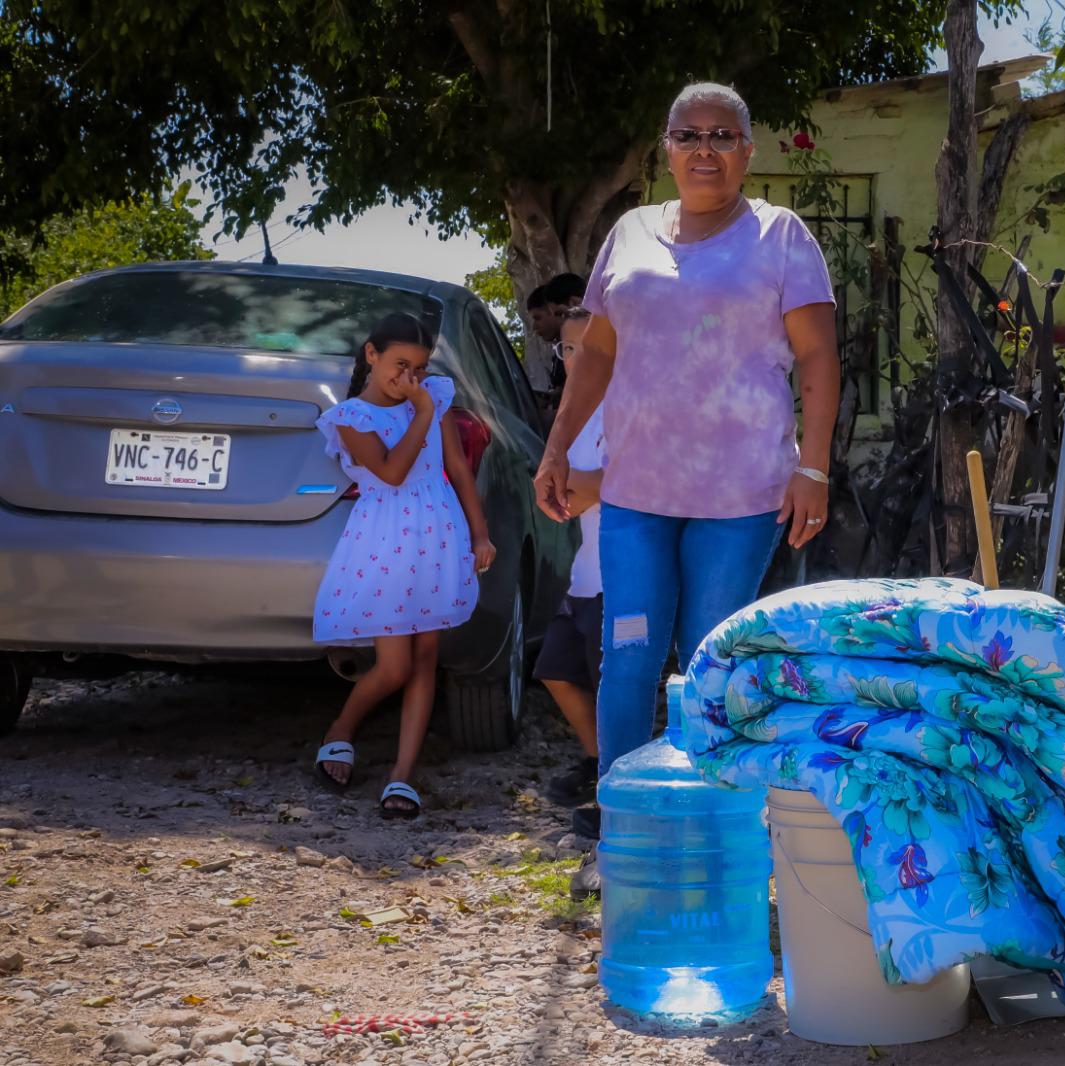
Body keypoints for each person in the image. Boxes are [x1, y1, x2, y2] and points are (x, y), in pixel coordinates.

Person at [533, 82, 840, 897]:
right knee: (627, 658)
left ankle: (719, 842)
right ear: (665, 148)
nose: (704, 148)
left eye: (723, 134)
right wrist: (559, 446)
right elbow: (596, 352)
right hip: (635, 491)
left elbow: (817, 358)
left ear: (747, 150)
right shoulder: (629, 233)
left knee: (710, 662)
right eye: (688, 134)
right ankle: (623, 843)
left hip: (740, 498)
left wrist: (813, 465)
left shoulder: (781, 237)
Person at [311, 312, 497, 819]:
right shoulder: (352, 417)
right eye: (398, 364)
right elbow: (393, 474)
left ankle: (402, 775)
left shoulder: (432, 397)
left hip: (439, 534)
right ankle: (341, 730)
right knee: (393, 666)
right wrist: (420, 412)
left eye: (417, 368)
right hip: (386, 538)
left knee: (424, 659)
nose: (408, 379)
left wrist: (479, 533)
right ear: (370, 355)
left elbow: (457, 469)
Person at [531, 306, 606, 839]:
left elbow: (592, 488)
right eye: (566, 348)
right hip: (585, 570)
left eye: (583, 346)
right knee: (554, 669)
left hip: (618, 572)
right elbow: (559, 491)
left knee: (612, 683)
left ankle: (614, 794)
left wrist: (571, 486)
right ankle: (601, 763)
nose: (574, 357)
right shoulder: (572, 415)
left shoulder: (622, 404)